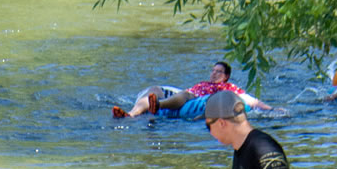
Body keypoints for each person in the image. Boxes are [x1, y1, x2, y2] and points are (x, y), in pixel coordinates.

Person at [112, 61, 271, 118]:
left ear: (226, 76)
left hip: (193, 99)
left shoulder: (230, 88)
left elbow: (252, 101)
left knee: (186, 94)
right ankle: (131, 114)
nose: (214, 74)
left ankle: (159, 105)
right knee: (154, 89)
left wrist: (271, 109)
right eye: (213, 71)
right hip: (188, 92)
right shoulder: (203, 83)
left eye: (219, 72)